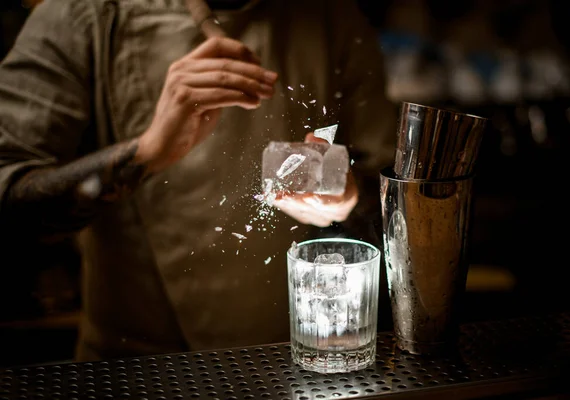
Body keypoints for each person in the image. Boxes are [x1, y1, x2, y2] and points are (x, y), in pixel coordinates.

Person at [0, 0, 397, 361]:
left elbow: (397, 207)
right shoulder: (80, 15)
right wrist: (146, 151)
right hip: (132, 367)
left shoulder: (333, 16)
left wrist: (348, 196)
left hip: (292, 361)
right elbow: (9, 204)